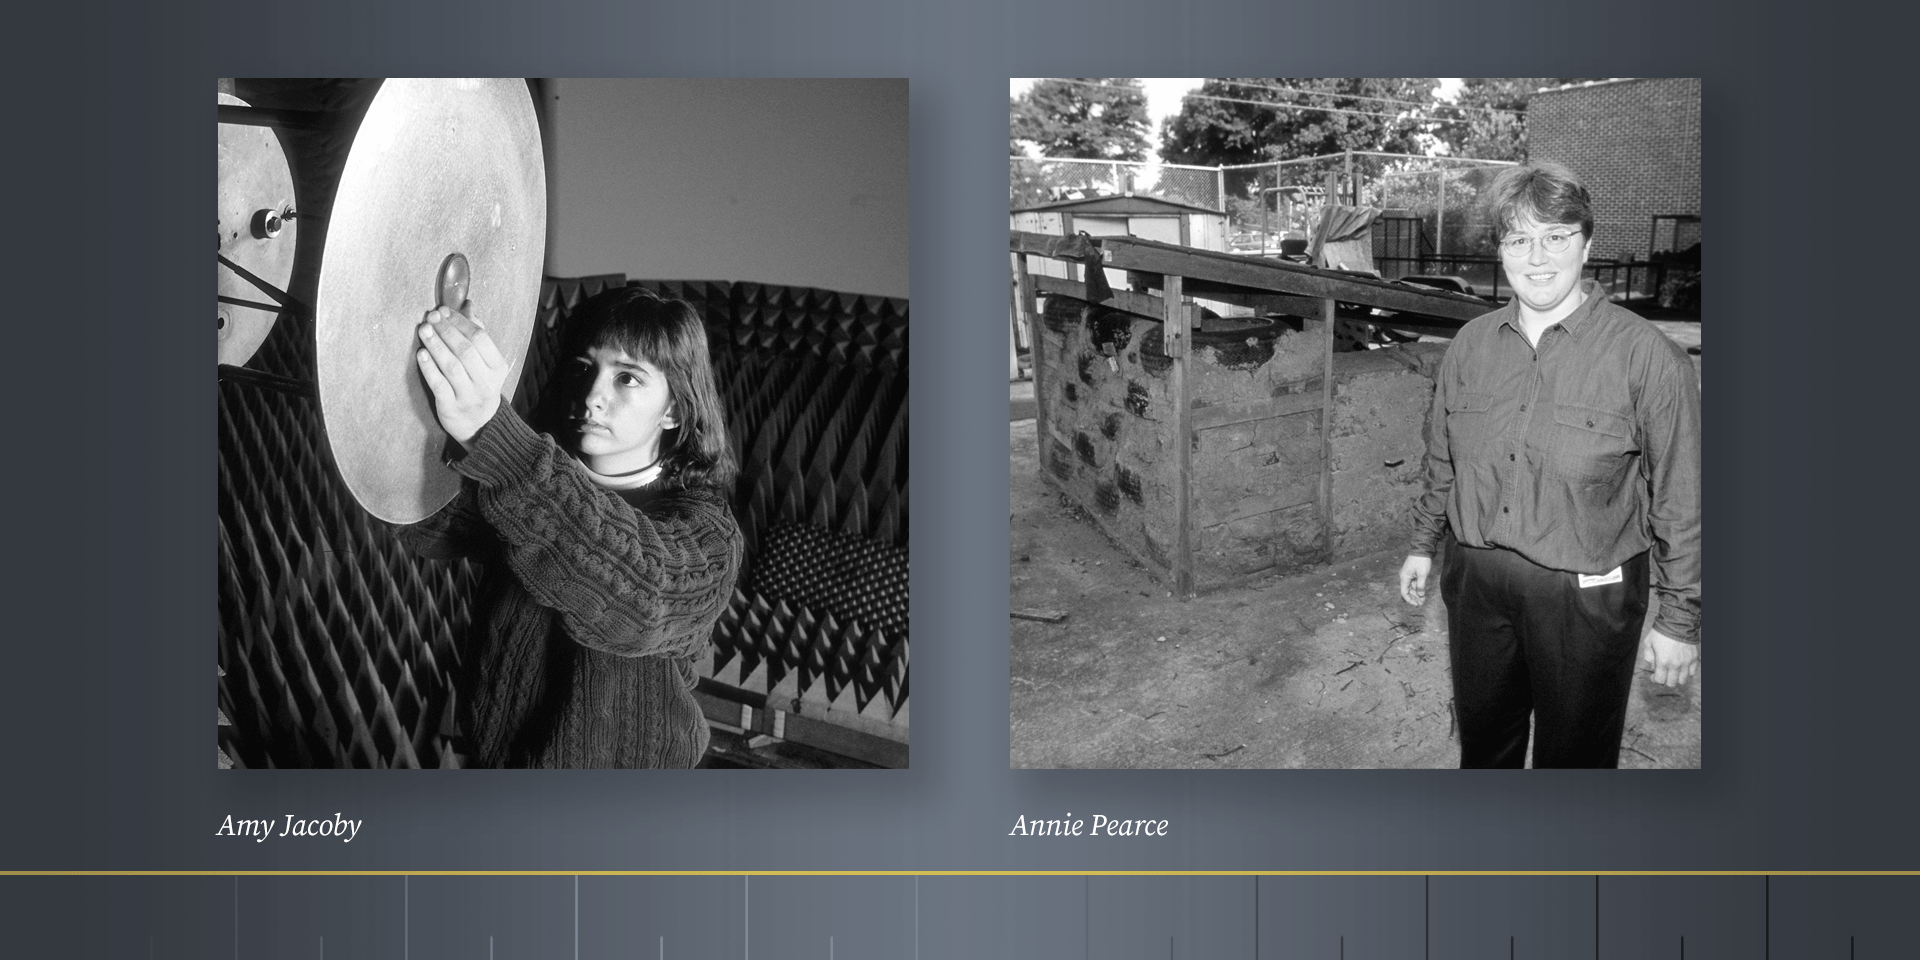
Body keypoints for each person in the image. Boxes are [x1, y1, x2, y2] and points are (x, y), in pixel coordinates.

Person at [1397, 161, 1701, 769]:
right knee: (1485, 746)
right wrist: (1423, 544)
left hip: (1586, 594)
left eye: (1556, 236)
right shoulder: (1471, 345)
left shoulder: (1650, 358)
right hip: (1478, 580)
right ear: (1501, 252)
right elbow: (1442, 457)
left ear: (1586, 244)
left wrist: (1681, 620)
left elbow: (1682, 498)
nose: (1537, 257)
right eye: (1518, 239)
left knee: (1577, 758)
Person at [401, 287, 743, 768]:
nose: (592, 395)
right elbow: (426, 518)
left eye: (627, 377)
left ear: (675, 410)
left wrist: (491, 431)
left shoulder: (710, 536)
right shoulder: (528, 494)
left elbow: (642, 593)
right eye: (583, 368)